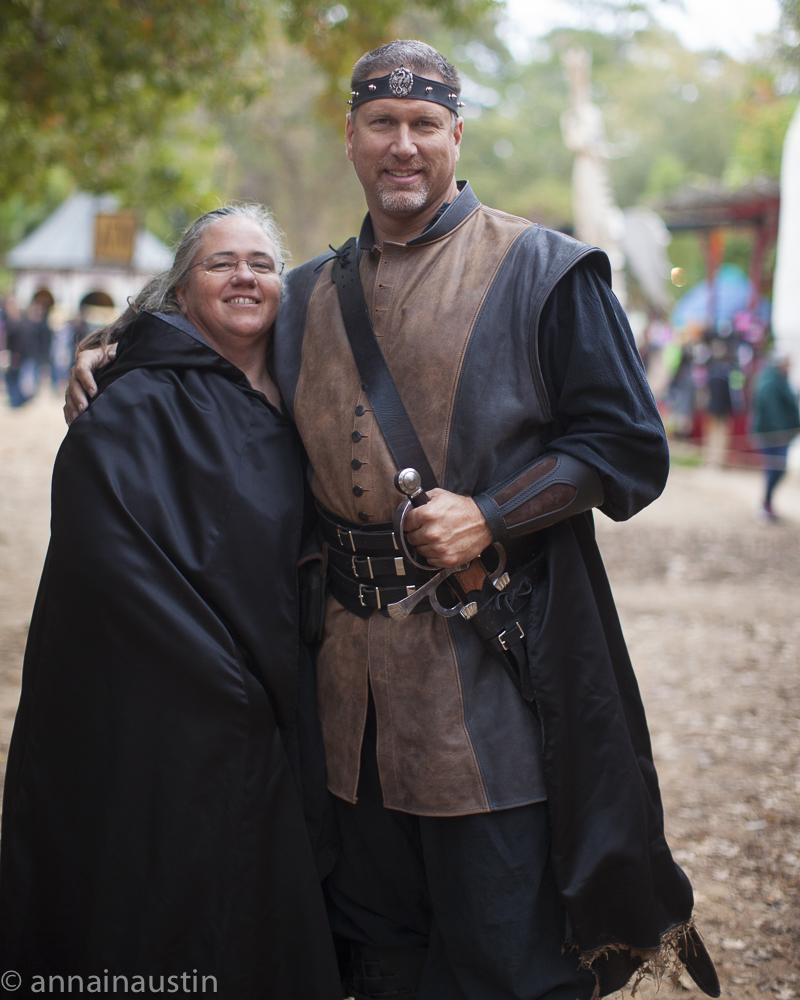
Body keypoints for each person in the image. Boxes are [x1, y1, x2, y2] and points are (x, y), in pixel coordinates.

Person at [66, 40, 719, 1000]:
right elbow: (206, 339)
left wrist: (493, 513)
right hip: (346, 706)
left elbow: (629, 448)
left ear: (456, 134)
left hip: (492, 690)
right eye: (383, 123)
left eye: (423, 125)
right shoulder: (305, 297)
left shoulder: (546, 269)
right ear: (352, 140)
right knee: (376, 958)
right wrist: (110, 346)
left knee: (504, 959)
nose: (402, 145)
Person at [1, 205, 341, 999]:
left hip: (288, 680)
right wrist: (224, 680)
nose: (245, 276)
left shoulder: (308, 392)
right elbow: (105, 558)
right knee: (163, 887)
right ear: (181, 291)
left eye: (261, 262)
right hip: (176, 700)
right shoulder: (131, 399)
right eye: (221, 263)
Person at [752, 352, 800, 521]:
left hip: (781, 434)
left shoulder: (780, 380)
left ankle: (767, 504)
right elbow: (772, 411)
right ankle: (765, 504)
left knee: (777, 470)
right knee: (775, 469)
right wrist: (779, 431)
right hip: (772, 435)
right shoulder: (770, 382)